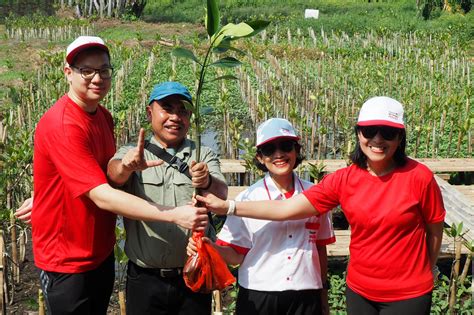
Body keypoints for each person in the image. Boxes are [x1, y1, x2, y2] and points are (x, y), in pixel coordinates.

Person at [196, 96, 446, 315]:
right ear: (359, 133)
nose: (377, 139)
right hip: (359, 291)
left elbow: (435, 231)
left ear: (400, 136)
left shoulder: (419, 177)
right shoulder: (342, 180)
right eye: (369, 131)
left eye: (388, 133)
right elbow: (285, 210)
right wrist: (228, 207)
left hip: (406, 292)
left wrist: (426, 269)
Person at [24, 36, 208, 315]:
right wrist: (173, 214)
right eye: (86, 70)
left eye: (104, 70)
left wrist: (46, 190)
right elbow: (101, 195)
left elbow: (88, 170)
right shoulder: (63, 123)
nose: (96, 78)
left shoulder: (102, 116)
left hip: (99, 251)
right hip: (66, 259)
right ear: (68, 73)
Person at [187, 118, 335, 315]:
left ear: (296, 150)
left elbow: (320, 248)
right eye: (269, 150)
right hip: (259, 295)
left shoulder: (315, 195)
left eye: (286, 146)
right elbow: (235, 255)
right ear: (259, 157)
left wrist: (323, 295)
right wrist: (210, 247)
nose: (279, 154)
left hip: (307, 294)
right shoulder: (247, 198)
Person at [106, 81, 228, 315]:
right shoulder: (133, 151)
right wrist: (128, 166)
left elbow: (221, 196)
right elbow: (114, 175)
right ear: (150, 112)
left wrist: (207, 181)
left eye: (182, 110)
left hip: (193, 273)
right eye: (167, 108)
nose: (175, 117)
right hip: (145, 278)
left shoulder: (202, 153)